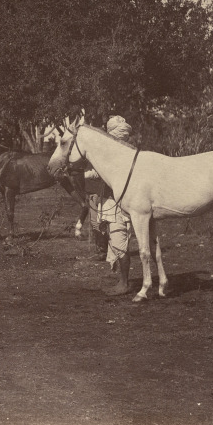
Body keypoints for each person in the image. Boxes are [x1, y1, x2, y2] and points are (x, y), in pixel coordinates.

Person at [85, 115, 136, 296]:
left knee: (119, 242)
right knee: (116, 241)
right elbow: (98, 172)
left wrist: (84, 175)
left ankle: (124, 284)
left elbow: (101, 173)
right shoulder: (129, 153)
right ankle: (122, 281)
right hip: (113, 203)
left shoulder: (122, 157)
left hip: (118, 205)